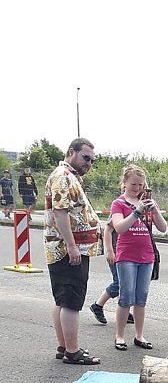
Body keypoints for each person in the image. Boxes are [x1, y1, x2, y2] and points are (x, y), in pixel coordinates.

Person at [44, 138, 102, 365]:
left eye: (92, 160)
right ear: (71, 152)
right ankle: (73, 351)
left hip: (64, 249)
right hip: (67, 250)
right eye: (85, 157)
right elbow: (61, 212)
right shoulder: (63, 177)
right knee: (71, 301)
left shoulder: (67, 176)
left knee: (62, 300)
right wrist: (71, 246)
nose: (89, 163)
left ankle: (64, 346)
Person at [111, 164, 166, 351]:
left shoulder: (149, 202)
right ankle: (119, 336)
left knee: (141, 297)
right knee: (126, 296)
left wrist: (155, 211)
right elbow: (119, 228)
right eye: (134, 184)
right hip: (127, 255)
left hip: (146, 255)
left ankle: (139, 335)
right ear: (125, 182)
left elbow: (163, 228)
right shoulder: (118, 203)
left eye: (141, 185)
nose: (137, 188)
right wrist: (136, 212)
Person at [88, 217, 134, 325]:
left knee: (126, 283)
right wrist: (109, 251)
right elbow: (107, 230)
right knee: (119, 283)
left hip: (127, 253)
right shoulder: (120, 208)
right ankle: (98, 306)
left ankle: (124, 311)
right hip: (116, 253)